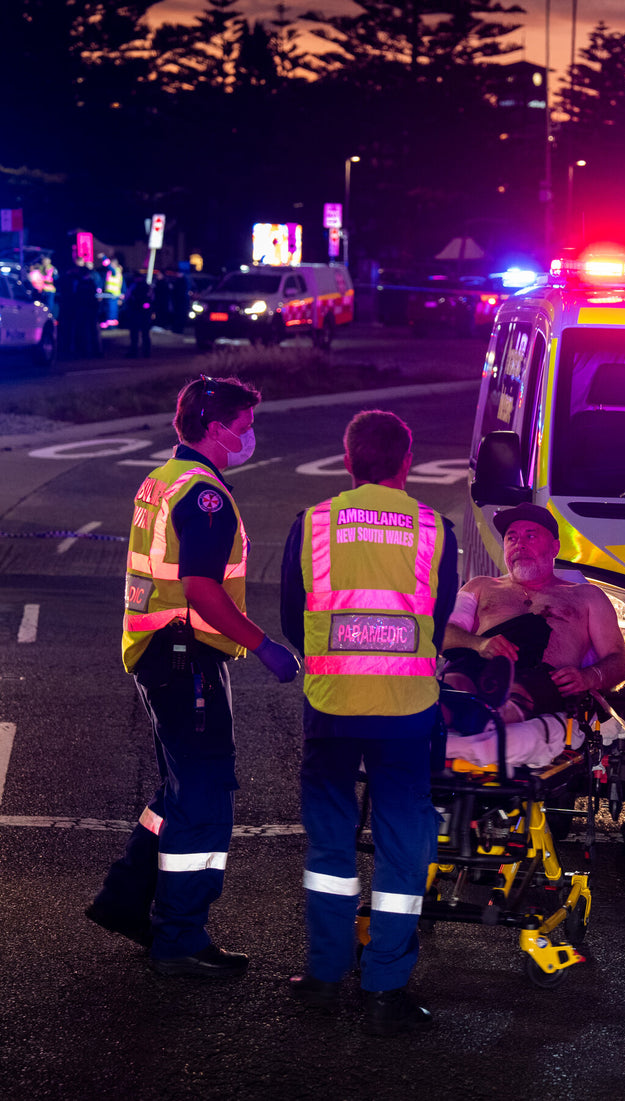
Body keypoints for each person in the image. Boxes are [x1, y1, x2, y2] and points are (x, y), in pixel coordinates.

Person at [86, 375, 301, 978]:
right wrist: (264, 647)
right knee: (204, 797)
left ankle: (127, 901)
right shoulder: (202, 494)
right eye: (244, 424)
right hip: (185, 655)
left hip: (161, 651)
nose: (250, 435)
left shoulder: (164, 478)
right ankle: (179, 935)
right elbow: (202, 588)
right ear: (215, 429)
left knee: (179, 790)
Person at [280, 409, 459, 1036]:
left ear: (348, 459)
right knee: (402, 848)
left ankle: (324, 977)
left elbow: (289, 614)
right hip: (407, 712)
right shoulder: (435, 530)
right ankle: (385, 985)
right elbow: (437, 622)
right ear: (407, 461)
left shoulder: (315, 523)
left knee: (331, 849)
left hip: (330, 707)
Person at [440, 502, 625, 766]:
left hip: (540, 682)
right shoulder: (480, 587)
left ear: (554, 547)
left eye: (530, 536)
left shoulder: (587, 597)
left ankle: (485, 718)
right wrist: (479, 643)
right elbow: (443, 636)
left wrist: (588, 677)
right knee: (455, 682)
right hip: (479, 669)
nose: (519, 544)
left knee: (523, 686)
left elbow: (620, 662)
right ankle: (455, 715)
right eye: (512, 538)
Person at [123, 277, 154, 358]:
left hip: (135, 312)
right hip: (144, 313)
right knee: (145, 333)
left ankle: (134, 351)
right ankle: (146, 352)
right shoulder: (147, 286)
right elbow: (152, 298)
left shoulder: (134, 286)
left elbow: (127, 297)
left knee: (134, 333)